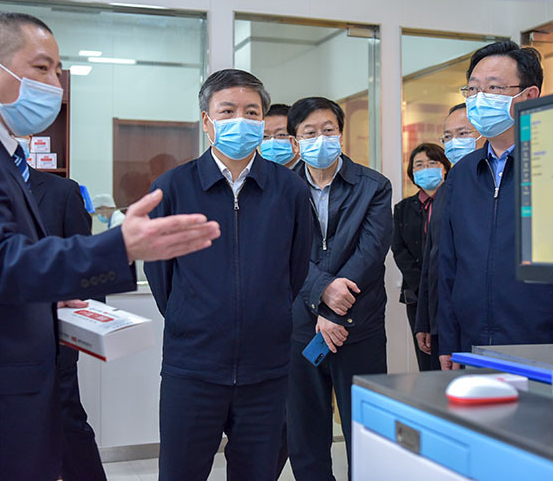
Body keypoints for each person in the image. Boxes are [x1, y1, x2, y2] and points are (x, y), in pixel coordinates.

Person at [0, 11, 220, 480]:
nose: (55, 84)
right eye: (41, 68)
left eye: (58, 71)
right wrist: (119, 246)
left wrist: (51, 295)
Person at [143, 69, 312, 481]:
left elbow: (295, 270)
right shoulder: (173, 188)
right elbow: (161, 276)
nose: (241, 119)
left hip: (266, 371)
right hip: (192, 369)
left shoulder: (289, 190)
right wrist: (194, 318)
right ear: (207, 121)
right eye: (228, 110)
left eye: (251, 112)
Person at [437, 41, 553, 371]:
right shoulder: (462, 174)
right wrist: (449, 339)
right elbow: (448, 266)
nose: (479, 98)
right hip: (471, 347)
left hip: (543, 346)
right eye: (473, 89)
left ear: (529, 96)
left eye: (493, 88)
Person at [286, 96, 392, 480]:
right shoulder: (280, 188)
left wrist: (332, 310)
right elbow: (281, 252)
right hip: (300, 328)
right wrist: (321, 296)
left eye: (328, 130)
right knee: (305, 434)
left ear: (341, 134)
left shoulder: (374, 186)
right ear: (295, 141)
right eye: (310, 132)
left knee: (365, 431)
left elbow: (371, 253)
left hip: (358, 327)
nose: (321, 139)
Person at [27, 165, 106, 481]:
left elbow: (86, 266)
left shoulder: (61, 192)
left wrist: (92, 323)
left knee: (68, 430)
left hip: (51, 345)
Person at [414, 104, 482, 371]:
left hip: (481, 324)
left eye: (463, 133)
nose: (455, 142)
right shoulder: (446, 190)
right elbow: (434, 262)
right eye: (448, 136)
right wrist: (425, 320)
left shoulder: (492, 186)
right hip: (445, 322)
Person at [392, 142, 450, 371]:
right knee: (426, 356)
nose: (425, 169)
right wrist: (424, 285)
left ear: (444, 167)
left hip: (450, 290)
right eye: (419, 165)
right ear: (412, 172)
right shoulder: (403, 208)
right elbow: (399, 249)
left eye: (432, 163)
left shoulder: (454, 201)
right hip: (417, 295)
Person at [261, 103, 300, 169]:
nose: (272, 142)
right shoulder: (254, 171)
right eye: (265, 136)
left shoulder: (311, 172)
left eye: (281, 134)